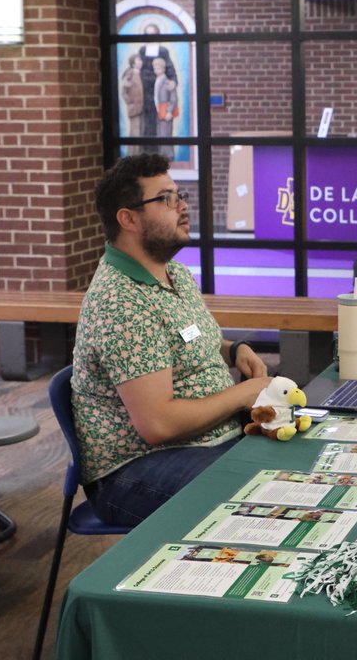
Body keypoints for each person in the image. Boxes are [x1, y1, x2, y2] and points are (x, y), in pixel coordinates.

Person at [72, 153, 271, 526]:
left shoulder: (173, 273)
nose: (182, 207)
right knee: (260, 500)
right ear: (128, 219)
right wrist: (245, 393)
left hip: (209, 440)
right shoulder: (121, 302)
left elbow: (189, 340)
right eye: (166, 199)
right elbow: (158, 424)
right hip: (137, 470)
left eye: (180, 196)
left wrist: (234, 350)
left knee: (296, 464)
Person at [137, 23, 177, 140]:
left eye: (153, 34)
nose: (150, 37)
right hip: (146, 89)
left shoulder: (163, 50)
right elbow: (139, 67)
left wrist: (173, 80)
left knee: (161, 120)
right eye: (147, 34)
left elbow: (169, 67)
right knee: (147, 120)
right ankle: (148, 149)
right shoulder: (143, 50)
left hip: (159, 89)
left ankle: (161, 151)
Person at [120, 54, 144, 141]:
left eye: (141, 60)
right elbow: (124, 92)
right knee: (135, 132)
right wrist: (130, 103)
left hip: (142, 108)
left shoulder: (141, 74)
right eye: (138, 60)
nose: (141, 62)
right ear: (133, 63)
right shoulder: (129, 75)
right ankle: (133, 153)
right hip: (134, 108)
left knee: (140, 132)